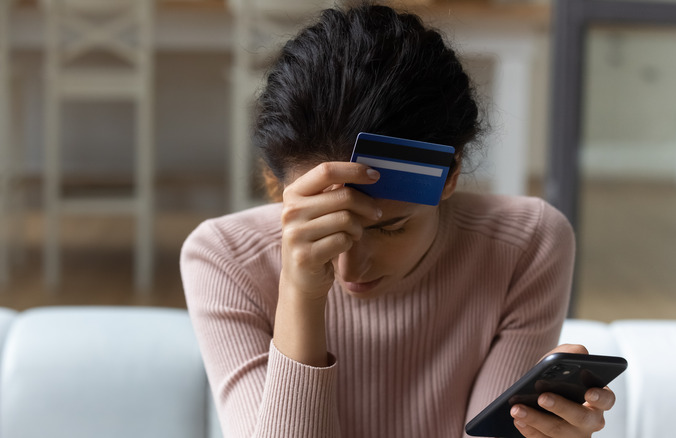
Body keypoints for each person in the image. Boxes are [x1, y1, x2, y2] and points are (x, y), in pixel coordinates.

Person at [180, 3, 615, 438]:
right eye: (327, 228)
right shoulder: (224, 259)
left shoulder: (526, 244)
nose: (349, 269)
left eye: (389, 226)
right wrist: (300, 292)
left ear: (451, 175)